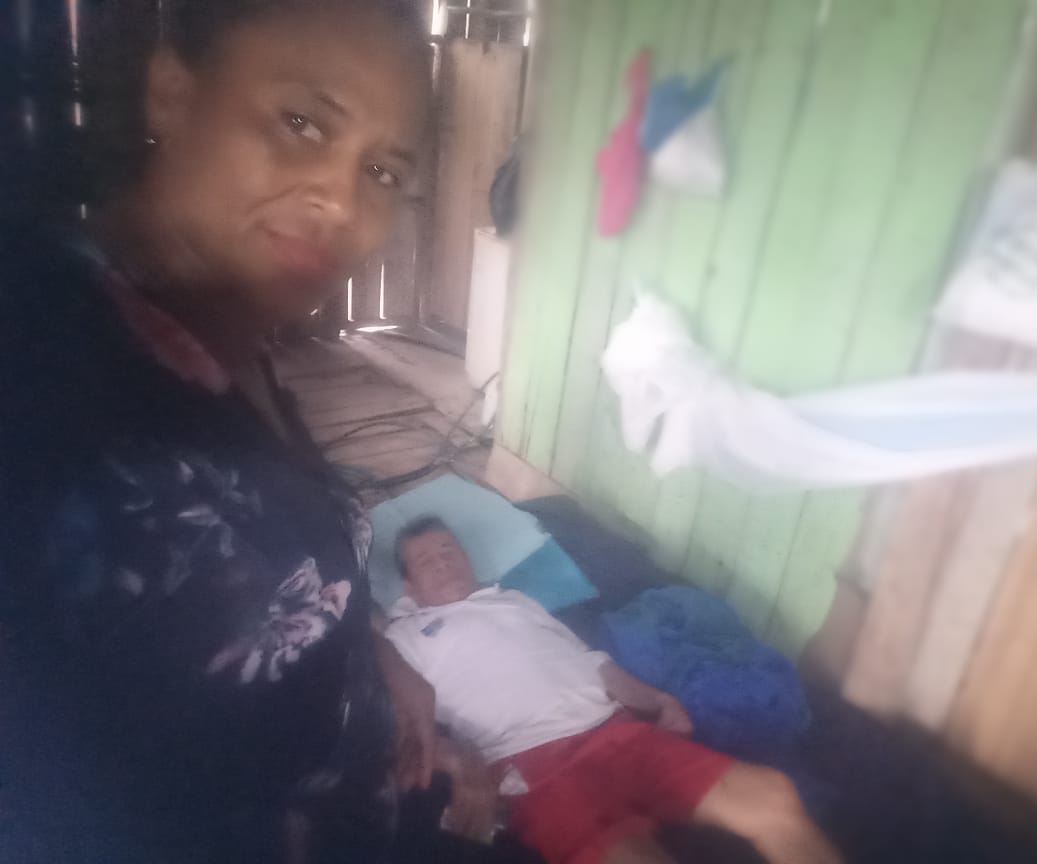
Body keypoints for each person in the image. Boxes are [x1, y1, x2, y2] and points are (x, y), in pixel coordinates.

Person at [0, 2, 505, 861]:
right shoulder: (47, 393)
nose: (340, 200)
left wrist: (376, 661)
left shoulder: (223, 331)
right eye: (300, 122)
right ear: (173, 92)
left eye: (382, 170)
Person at [386, 517, 844, 864]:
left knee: (774, 799)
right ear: (409, 587)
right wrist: (452, 760)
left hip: (617, 732)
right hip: (534, 767)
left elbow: (592, 662)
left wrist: (656, 700)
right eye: (426, 561)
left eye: (449, 550)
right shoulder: (402, 636)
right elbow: (389, 712)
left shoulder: (515, 601)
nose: (443, 562)